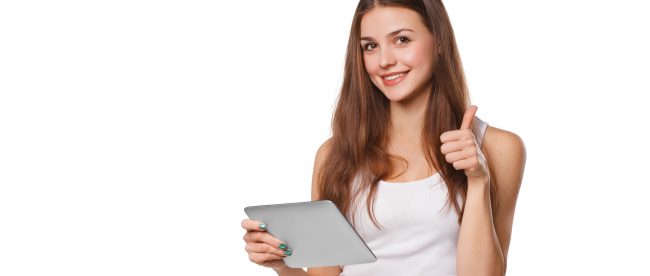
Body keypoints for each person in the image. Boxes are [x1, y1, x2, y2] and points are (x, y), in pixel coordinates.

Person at [241, 0, 526, 275]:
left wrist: (477, 180)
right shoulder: (335, 155)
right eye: (371, 46)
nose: (385, 61)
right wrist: (280, 265)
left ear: (438, 41)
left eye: (402, 40)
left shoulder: (498, 148)